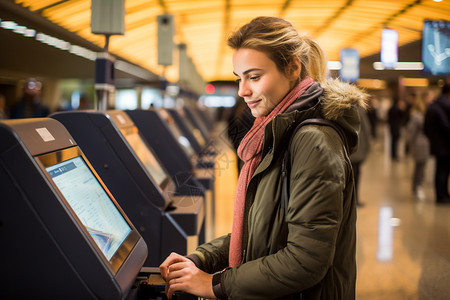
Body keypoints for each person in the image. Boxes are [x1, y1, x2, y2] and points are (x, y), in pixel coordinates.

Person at [160, 16, 368, 300]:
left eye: (254, 77)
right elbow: (262, 234)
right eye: (239, 78)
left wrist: (213, 284)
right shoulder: (277, 130)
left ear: (293, 67)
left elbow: (305, 261)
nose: (242, 91)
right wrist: (202, 258)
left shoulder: (312, 140)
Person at [424, 84, 450, 204]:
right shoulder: (444, 106)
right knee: (442, 171)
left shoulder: (434, 106)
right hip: (444, 145)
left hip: (438, 144)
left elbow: (426, 129)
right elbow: (446, 127)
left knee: (441, 170)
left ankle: (443, 194)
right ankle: (441, 196)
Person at [405, 91, 433, 200]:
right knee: (420, 167)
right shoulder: (417, 114)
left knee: (421, 166)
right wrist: (409, 144)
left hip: (425, 144)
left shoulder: (427, 112)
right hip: (419, 145)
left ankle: (417, 186)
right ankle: (418, 186)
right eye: (430, 98)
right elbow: (411, 131)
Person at [350, 105, 371, 206]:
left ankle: (349, 201)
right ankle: (355, 200)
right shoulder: (360, 109)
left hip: (345, 149)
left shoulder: (339, 107)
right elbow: (367, 130)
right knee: (356, 176)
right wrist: (367, 148)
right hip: (357, 148)